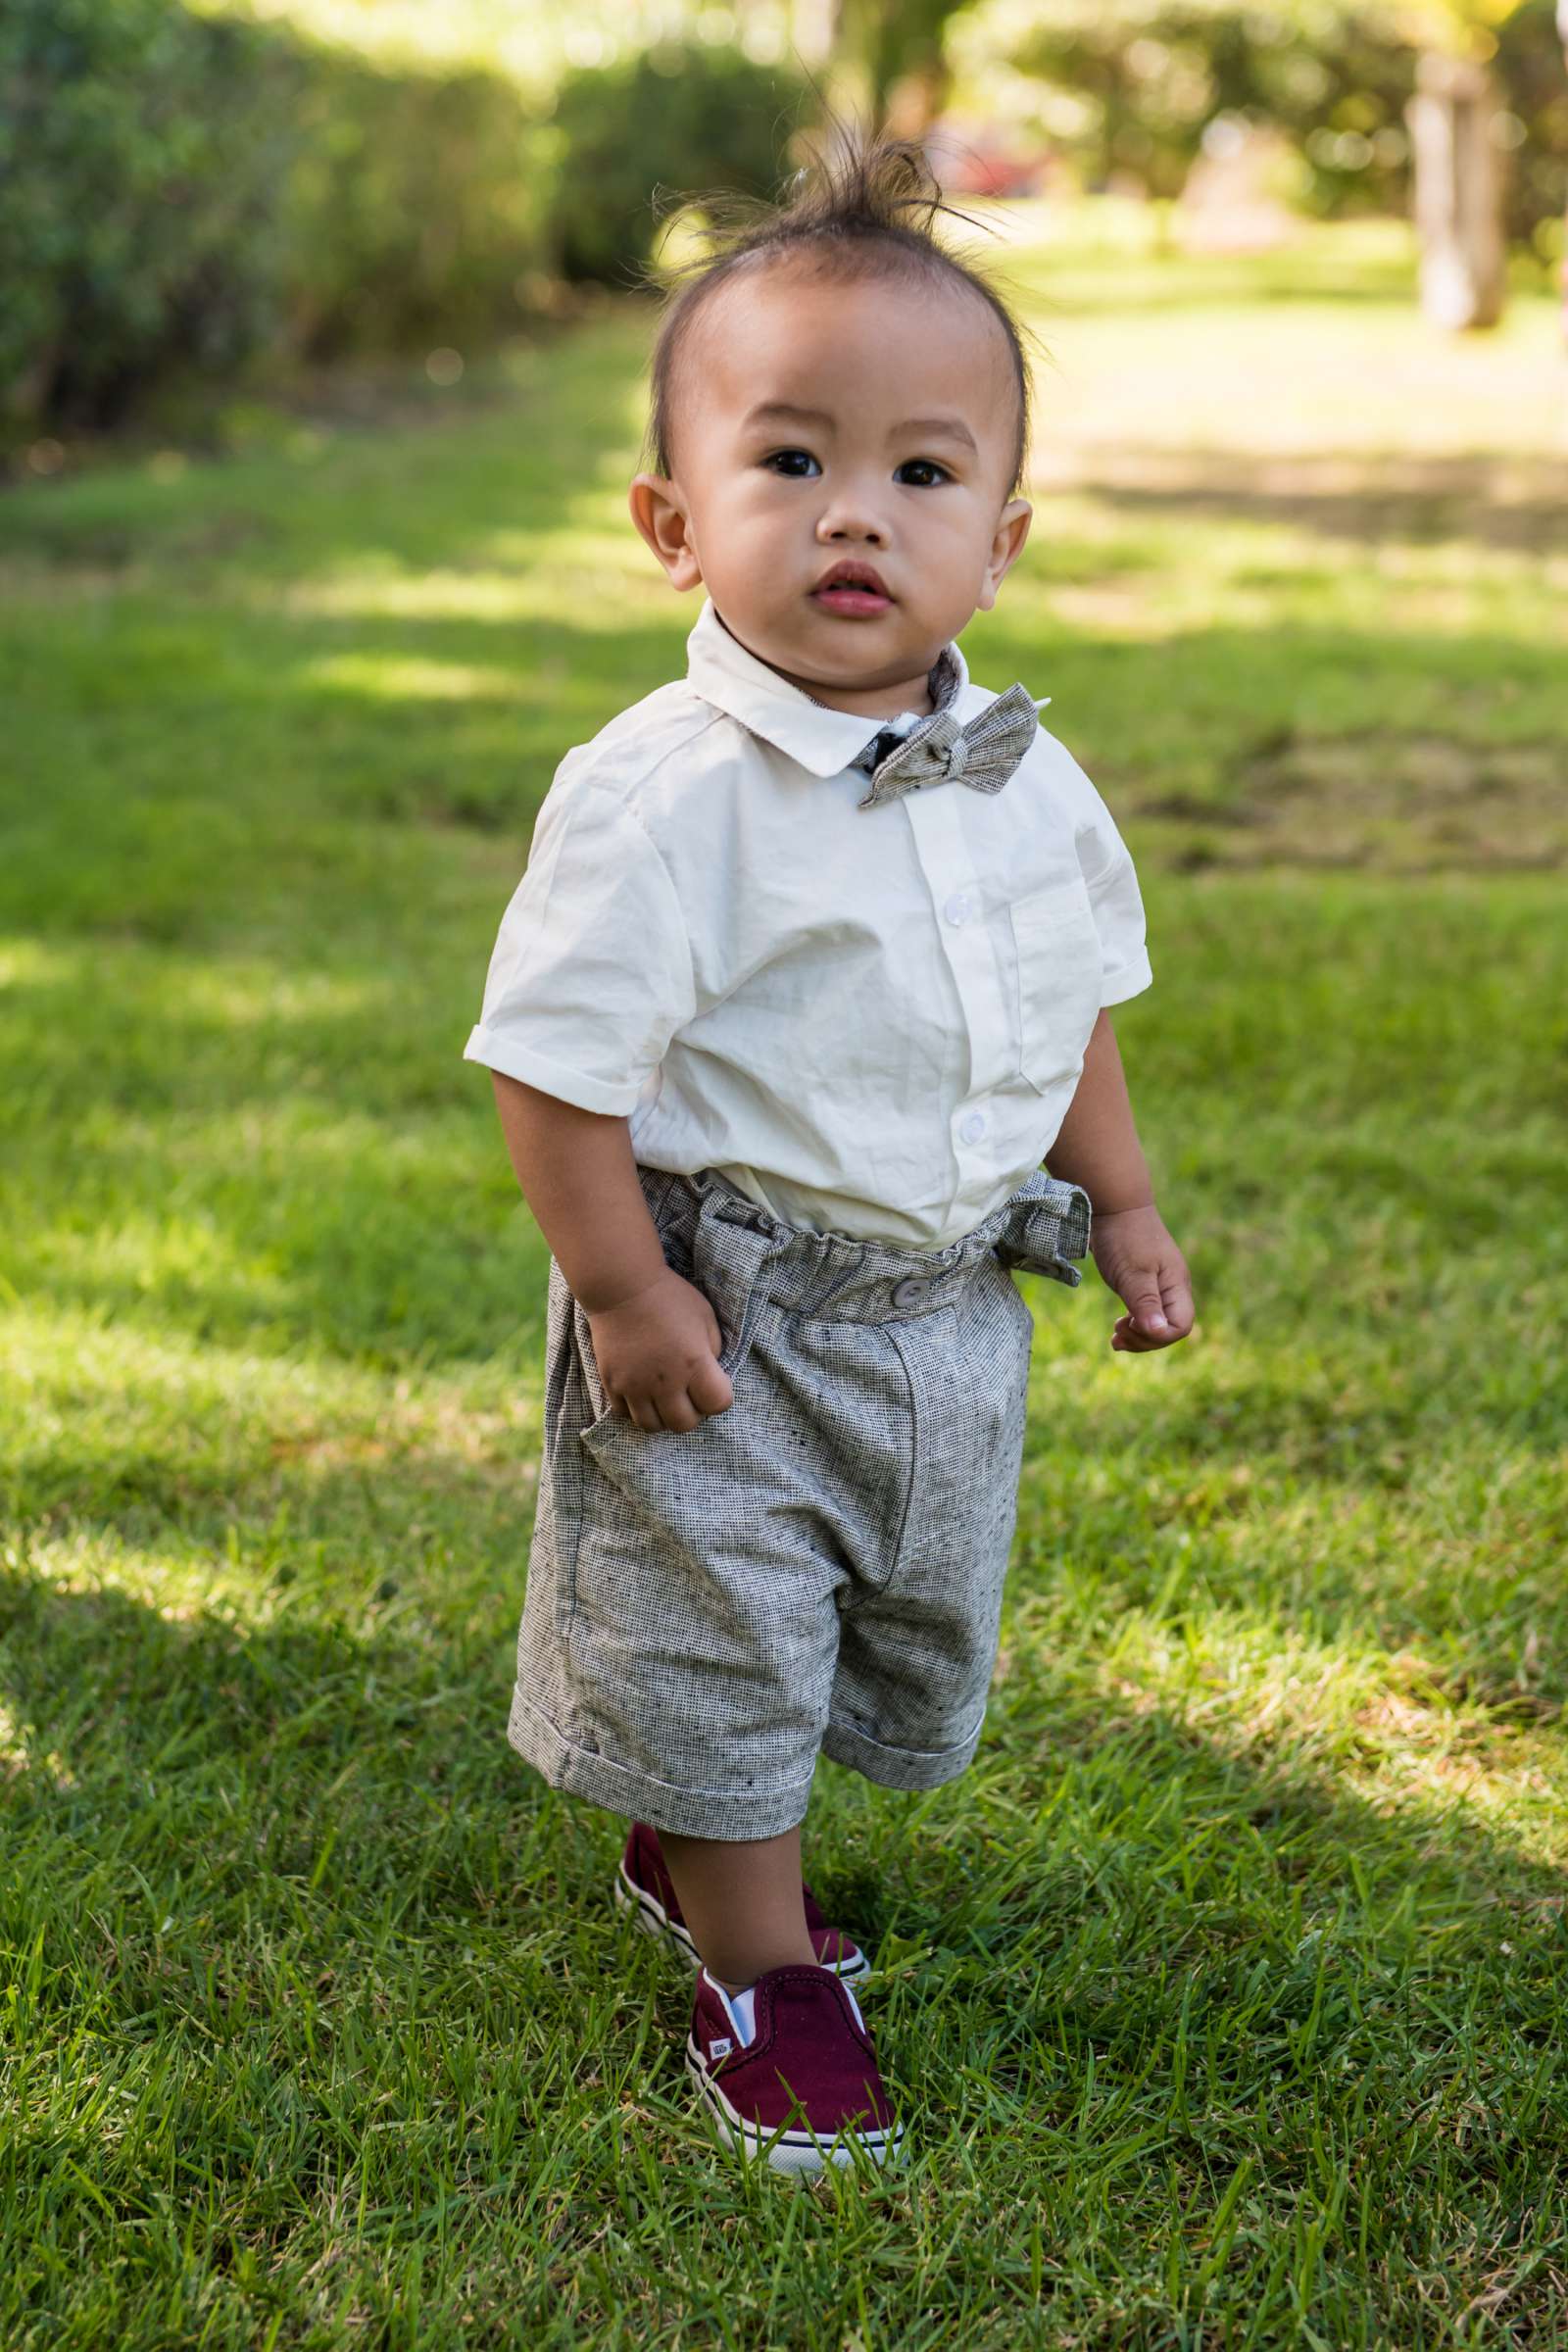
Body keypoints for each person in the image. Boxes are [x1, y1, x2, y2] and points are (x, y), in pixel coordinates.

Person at [463, 135, 1194, 2174]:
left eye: (919, 474)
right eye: (787, 462)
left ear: (1004, 534)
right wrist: (626, 1290)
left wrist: (1118, 1201)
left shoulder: (1023, 775)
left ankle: (694, 1831)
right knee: (727, 1626)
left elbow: (1068, 1011)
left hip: (943, 1302)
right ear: (670, 523)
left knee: (884, 1610)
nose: (854, 513)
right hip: (729, 1294)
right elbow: (553, 1067)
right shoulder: (661, 796)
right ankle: (755, 1974)